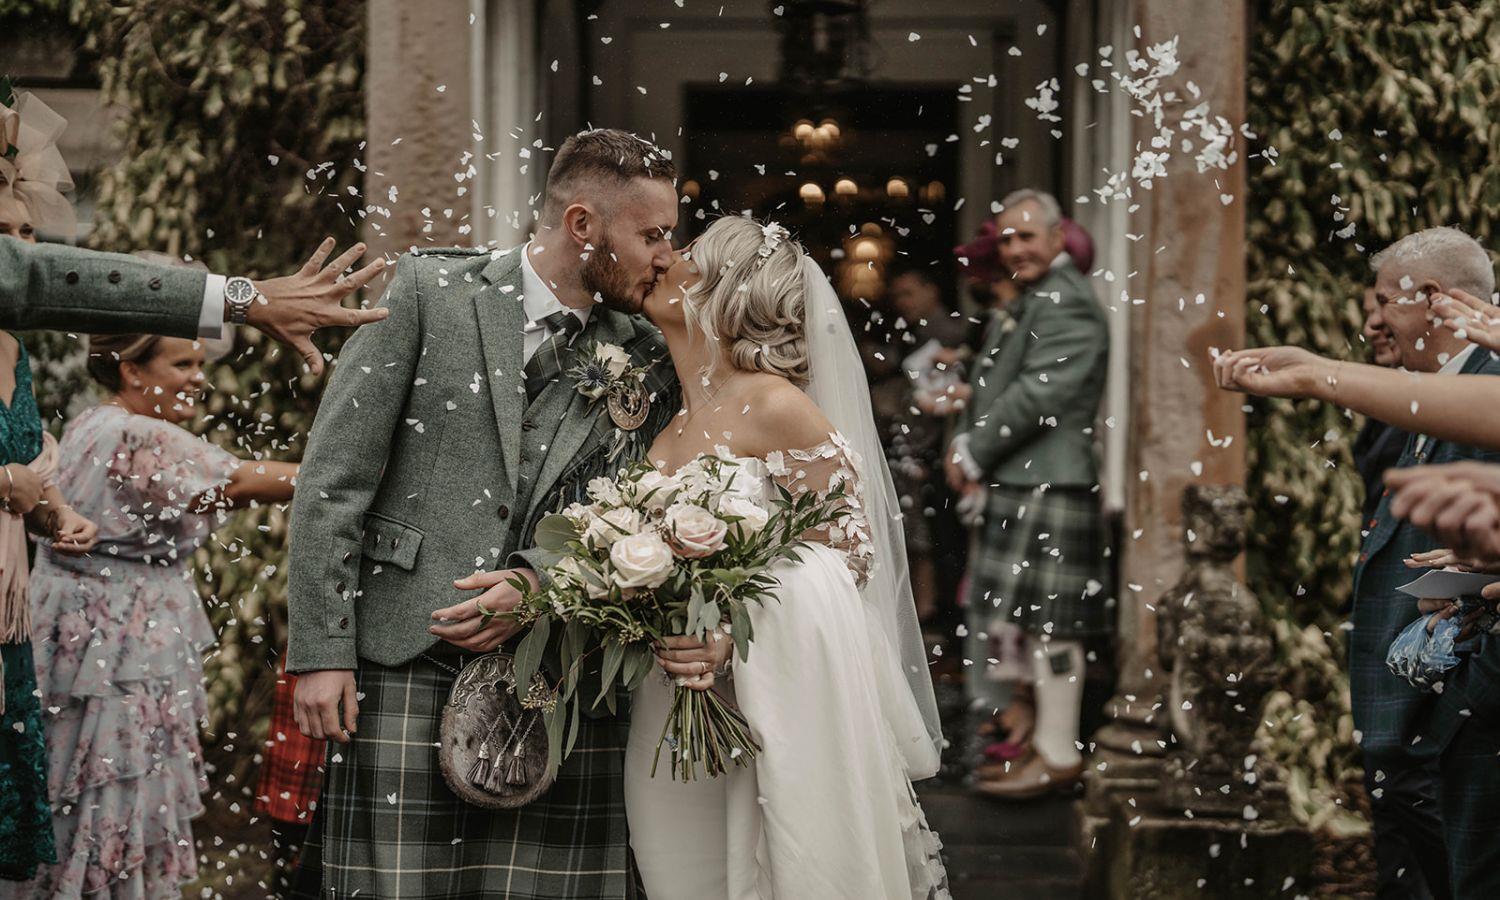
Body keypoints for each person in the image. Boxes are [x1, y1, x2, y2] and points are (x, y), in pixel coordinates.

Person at [284, 128, 680, 900]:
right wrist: (321, 649)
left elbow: (640, 513)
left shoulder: (645, 351)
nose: (665, 254)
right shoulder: (429, 294)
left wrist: (538, 582)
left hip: (557, 676)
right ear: (582, 226)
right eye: (652, 234)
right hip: (401, 652)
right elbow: (334, 481)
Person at [622, 213, 947, 899]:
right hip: (664, 706)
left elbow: (845, 565)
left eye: (683, 252)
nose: (662, 259)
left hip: (765, 715)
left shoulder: (778, 407)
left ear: (720, 288)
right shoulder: (669, 417)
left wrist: (731, 634)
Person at [1219, 225, 1500, 898]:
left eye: (1380, 303)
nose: (1368, 320)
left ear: (1433, 298)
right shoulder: (1405, 395)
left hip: (1463, 691)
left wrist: (1461, 579)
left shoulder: (1486, 387)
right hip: (1403, 700)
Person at [16, 331, 298, 897]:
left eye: (200, 363)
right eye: (182, 363)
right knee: (111, 782)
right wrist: (339, 476)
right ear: (131, 371)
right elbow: (237, 480)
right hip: (117, 646)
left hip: (79, 628)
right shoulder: (134, 432)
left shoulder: (91, 422)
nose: (199, 376)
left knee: (71, 777)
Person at [946, 188, 1112, 799]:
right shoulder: (1041, 297)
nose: (1016, 247)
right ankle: (1047, 744)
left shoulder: (1066, 301)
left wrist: (973, 449)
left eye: (1027, 235)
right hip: (1028, 477)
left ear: (1057, 236)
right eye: (1007, 237)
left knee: (1053, 628)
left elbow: (1039, 395)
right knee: (1036, 624)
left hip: (1050, 478)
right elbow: (998, 388)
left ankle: (1059, 754)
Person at [0, 90, 102, 885]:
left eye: (28, 234)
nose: (18, 253)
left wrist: (60, 512)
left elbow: (33, 468)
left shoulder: (17, 356)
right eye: (1, 235)